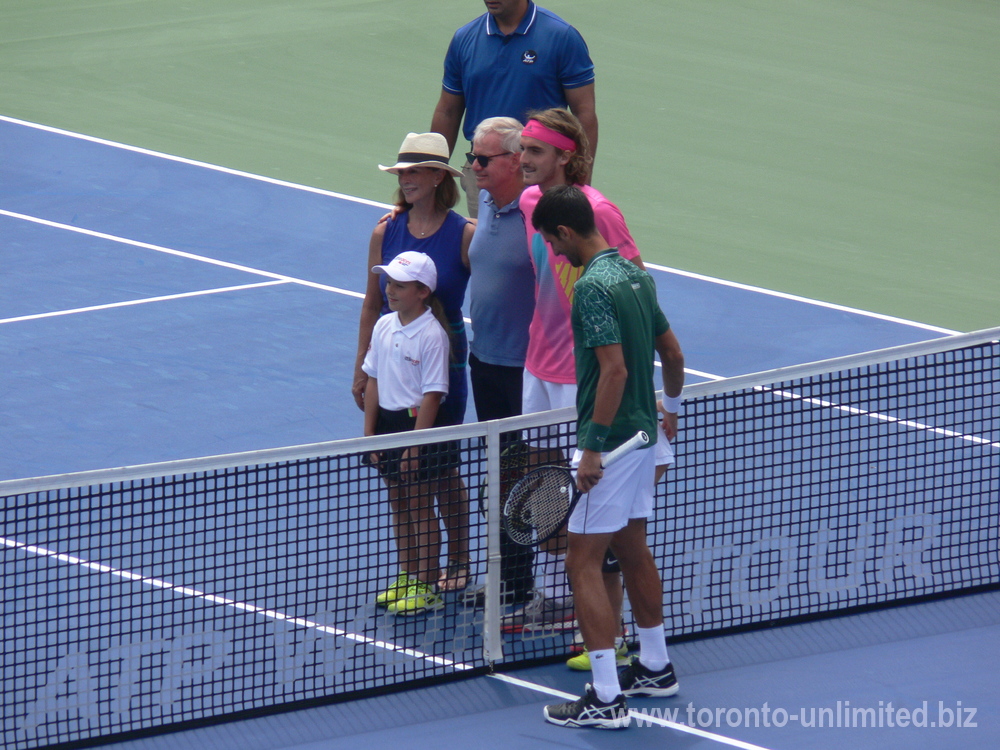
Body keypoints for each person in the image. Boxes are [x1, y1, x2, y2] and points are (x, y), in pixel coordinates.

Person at [501, 108, 673, 635]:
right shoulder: (531, 203)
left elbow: (637, 290)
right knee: (551, 486)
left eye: (534, 151)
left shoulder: (602, 213)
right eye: (522, 149)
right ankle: (557, 596)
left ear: (565, 157)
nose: (522, 159)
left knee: (599, 501)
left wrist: (656, 391)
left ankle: (607, 625)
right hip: (540, 368)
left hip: (588, 376)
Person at [531, 185, 685, 729]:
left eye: (552, 242)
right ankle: (656, 666)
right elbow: (673, 353)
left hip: (613, 444)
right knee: (634, 546)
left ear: (566, 232)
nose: (554, 252)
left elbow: (615, 372)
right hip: (645, 437)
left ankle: (605, 696)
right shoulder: (636, 275)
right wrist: (671, 407)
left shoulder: (593, 287)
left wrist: (592, 448)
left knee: (580, 561)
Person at [353, 132, 477, 593]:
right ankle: (416, 572)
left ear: (438, 177)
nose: (406, 180)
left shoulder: (464, 233)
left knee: (442, 472)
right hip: (391, 366)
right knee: (400, 481)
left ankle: (459, 562)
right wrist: (361, 370)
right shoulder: (386, 229)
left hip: (444, 369)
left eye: (415, 172)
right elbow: (372, 305)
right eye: (401, 173)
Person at [458, 116, 539, 607]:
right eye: (472, 157)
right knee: (500, 474)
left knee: (531, 477)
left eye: (483, 159)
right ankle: (506, 576)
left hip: (526, 372)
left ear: (515, 162)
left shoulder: (538, 215)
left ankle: (536, 584)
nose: (473, 166)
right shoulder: (486, 200)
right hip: (483, 361)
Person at [431, 0, 598, 217]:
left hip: (541, 171)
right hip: (483, 167)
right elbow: (448, 111)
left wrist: (581, 183)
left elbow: (584, 113)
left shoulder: (562, 37)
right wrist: (432, 171)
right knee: (487, 248)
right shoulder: (464, 38)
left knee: (545, 248)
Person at [362, 252, 454, 615]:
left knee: (419, 507)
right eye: (389, 283)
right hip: (387, 427)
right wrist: (369, 434)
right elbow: (373, 379)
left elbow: (432, 395)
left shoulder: (433, 335)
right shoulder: (384, 325)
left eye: (399, 285)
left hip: (418, 429)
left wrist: (415, 445)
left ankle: (427, 584)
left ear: (422, 292)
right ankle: (408, 573)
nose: (390, 290)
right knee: (399, 504)